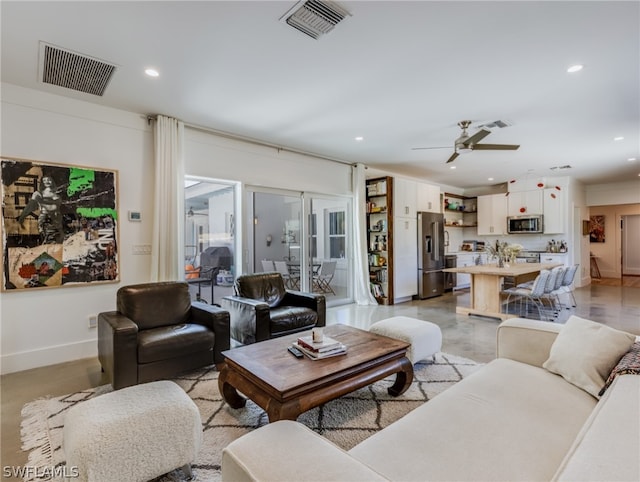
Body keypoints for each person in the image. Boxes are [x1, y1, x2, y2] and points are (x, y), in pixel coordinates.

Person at [17, 175, 64, 244]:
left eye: (49, 179)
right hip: (46, 219)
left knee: (59, 240)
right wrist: (22, 217)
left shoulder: (57, 195)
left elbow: (57, 207)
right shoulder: (38, 194)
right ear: (42, 182)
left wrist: (41, 201)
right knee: (50, 239)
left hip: (57, 219)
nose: (47, 181)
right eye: (44, 180)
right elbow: (29, 206)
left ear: (52, 181)